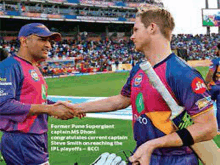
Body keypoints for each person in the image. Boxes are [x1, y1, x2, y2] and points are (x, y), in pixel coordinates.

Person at [57, 5, 217, 165]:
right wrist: (76, 108)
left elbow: (208, 128)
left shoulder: (183, 73)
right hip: (143, 155)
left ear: (152, 28)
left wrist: (153, 144)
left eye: (135, 30)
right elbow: (121, 100)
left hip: (176, 160)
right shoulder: (139, 69)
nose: (131, 36)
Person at [0, 23, 77, 165]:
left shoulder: (33, 67)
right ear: (24, 41)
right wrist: (49, 109)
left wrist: (59, 106)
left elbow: (35, 100)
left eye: (50, 41)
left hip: (35, 137)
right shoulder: (9, 66)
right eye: (42, 39)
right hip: (22, 138)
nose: (49, 45)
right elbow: (3, 104)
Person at [205, 43, 220, 132]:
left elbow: (210, 73)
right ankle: (218, 127)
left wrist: (206, 83)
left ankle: (206, 124)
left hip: (213, 86)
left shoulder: (216, 61)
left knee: (205, 104)